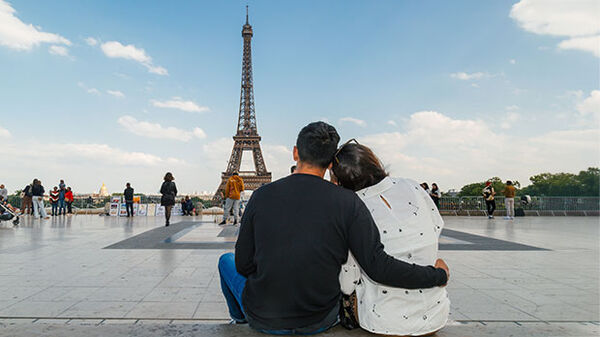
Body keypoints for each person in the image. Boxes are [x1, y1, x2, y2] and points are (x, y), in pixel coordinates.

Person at [218, 122, 449, 334]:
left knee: (226, 261)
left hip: (264, 317)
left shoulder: (261, 196)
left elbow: (243, 264)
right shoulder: (348, 201)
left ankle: (239, 322)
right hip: (321, 318)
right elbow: (375, 265)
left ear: (295, 152)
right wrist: (437, 275)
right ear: (330, 164)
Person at [332, 140, 449, 336]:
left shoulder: (352, 208)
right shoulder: (413, 186)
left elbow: (347, 284)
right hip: (435, 315)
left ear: (339, 181)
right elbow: (435, 227)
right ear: (375, 161)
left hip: (384, 321)